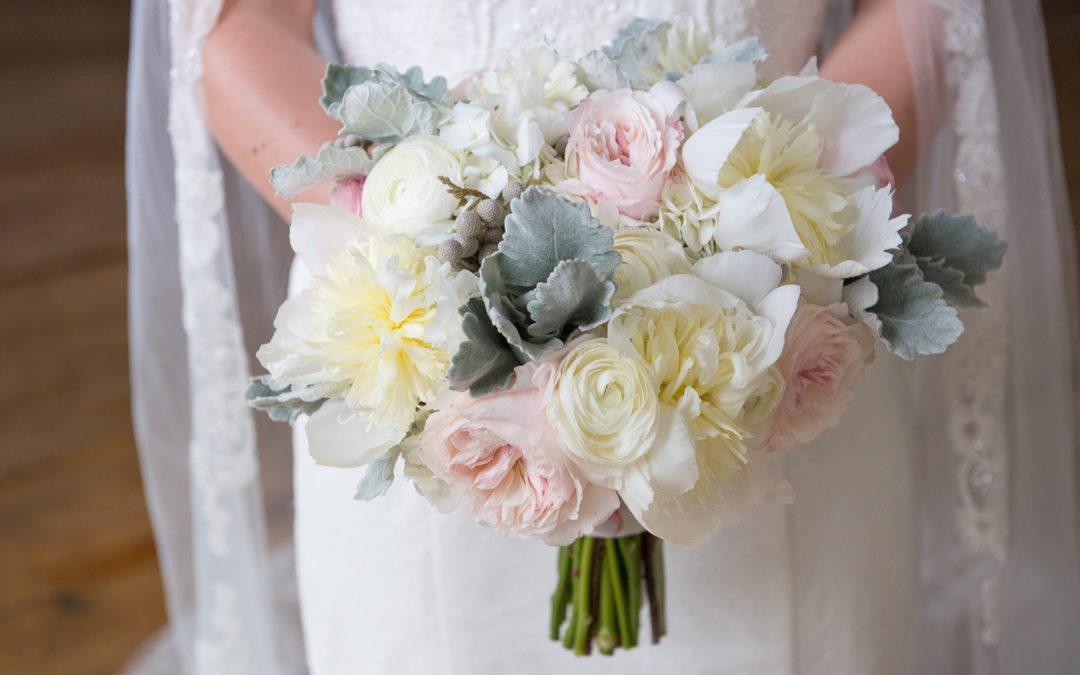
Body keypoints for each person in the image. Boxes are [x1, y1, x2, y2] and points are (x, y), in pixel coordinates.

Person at [125, 0, 1080, 673]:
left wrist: (764, 225)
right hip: (415, 344)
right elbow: (234, 20)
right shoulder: (416, 282)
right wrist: (418, 241)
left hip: (774, 331)